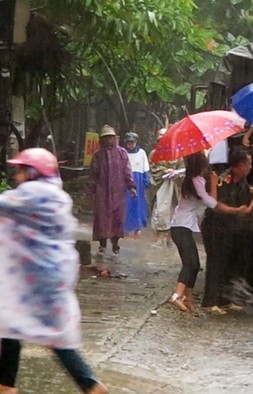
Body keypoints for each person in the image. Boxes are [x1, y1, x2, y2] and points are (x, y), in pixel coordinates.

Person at [0, 148, 108, 394]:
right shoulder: (57, 196)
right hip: (52, 276)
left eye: (20, 171)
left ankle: (90, 385)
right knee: (12, 325)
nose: (16, 176)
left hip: (35, 280)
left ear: (31, 173)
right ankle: (6, 385)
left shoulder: (32, 194)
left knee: (40, 333)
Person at [168, 152, 249, 313]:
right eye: (205, 164)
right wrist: (236, 209)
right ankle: (177, 295)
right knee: (190, 263)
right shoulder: (197, 180)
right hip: (181, 226)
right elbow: (213, 203)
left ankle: (189, 299)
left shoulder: (189, 177)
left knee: (195, 265)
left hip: (183, 226)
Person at [201, 148, 253, 311]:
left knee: (228, 262)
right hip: (215, 226)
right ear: (241, 166)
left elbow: (245, 191)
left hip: (231, 228)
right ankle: (210, 302)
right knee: (216, 263)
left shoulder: (241, 180)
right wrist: (237, 211)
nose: (251, 167)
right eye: (249, 164)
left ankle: (225, 300)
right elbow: (217, 206)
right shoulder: (222, 180)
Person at [88, 125, 136, 256]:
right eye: (106, 138)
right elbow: (93, 174)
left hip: (118, 191)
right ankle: (102, 245)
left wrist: (131, 186)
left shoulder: (122, 153)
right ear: (102, 139)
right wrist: (92, 191)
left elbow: (127, 171)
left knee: (117, 218)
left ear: (115, 138)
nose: (109, 140)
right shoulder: (98, 155)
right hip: (102, 192)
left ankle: (115, 244)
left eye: (111, 137)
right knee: (102, 218)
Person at [149, 128, 183, 248]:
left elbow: (182, 168)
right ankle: (159, 238)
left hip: (174, 187)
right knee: (160, 211)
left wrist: (176, 173)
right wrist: (165, 171)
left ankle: (170, 238)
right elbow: (153, 169)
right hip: (161, 186)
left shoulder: (177, 153)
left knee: (174, 212)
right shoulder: (154, 153)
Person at [123, 132, 150, 236]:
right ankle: (125, 226)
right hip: (126, 180)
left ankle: (138, 226)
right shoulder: (123, 153)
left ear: (136, 143)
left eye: (132, 143)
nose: (130, 145)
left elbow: (145, 168)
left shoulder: (142, 153)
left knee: (138, 203)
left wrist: (145, 180)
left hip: (138, 180)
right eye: (128, 143)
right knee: (126, 203)